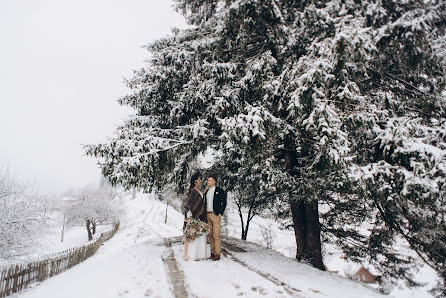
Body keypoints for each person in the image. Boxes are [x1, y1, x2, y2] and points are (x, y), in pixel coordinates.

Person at [183, 172, 209, 261]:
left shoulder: (198, 190)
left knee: (199, 234)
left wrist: (203, 193)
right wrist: (190, 216)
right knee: (194, 235)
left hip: (199, 216)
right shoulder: (192, 190)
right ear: (195, 181)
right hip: (193, 216)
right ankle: (192, 255)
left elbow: (199, 201)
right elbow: (190, 204)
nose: (200, 181)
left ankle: (199, 255)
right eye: (199, 180)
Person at [204, 175, 227, 261]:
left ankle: (218, 253)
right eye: (208, 180)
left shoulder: (219, 190)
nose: (208, 182)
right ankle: (212, 253)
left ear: (214, 182)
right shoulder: (207, 191)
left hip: (216, 215)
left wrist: (221, 213)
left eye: (209, 180)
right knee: (210, 235)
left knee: (216, 235)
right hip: (208, 214)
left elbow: (224, 202)